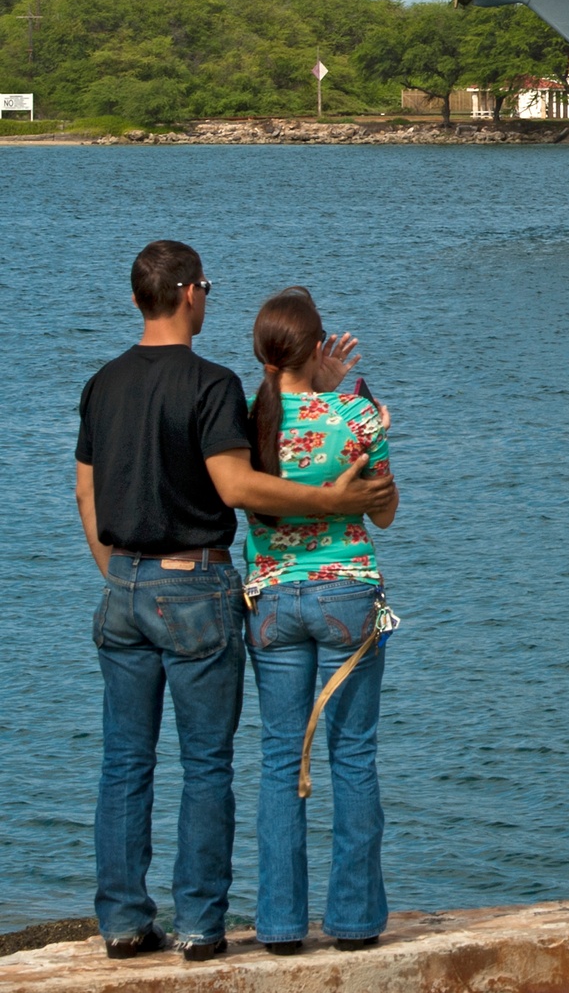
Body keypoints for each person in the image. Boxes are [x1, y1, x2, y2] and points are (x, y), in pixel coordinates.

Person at [75, 241, 393, 964]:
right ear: (190, 294)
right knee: (207, 764)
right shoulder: (212, 384)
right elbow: (237, 487)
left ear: (136, 301)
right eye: (207, 287)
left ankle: (125, 921)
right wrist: (331, 492)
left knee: (125, 761)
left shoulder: (101, 383)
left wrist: (121, 573)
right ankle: (198, 925)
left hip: (123, 581)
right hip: (197, 582)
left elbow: (85, 493)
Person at [244, 288, 399, 956]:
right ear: (317, 346)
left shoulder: (251, 419)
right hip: (347, 596)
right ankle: (355, 921)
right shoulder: (360, 414)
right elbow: (385, 512)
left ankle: (279, 927)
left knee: (281, 757)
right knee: (352, 755)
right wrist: (347, 397)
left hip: (274, 597)